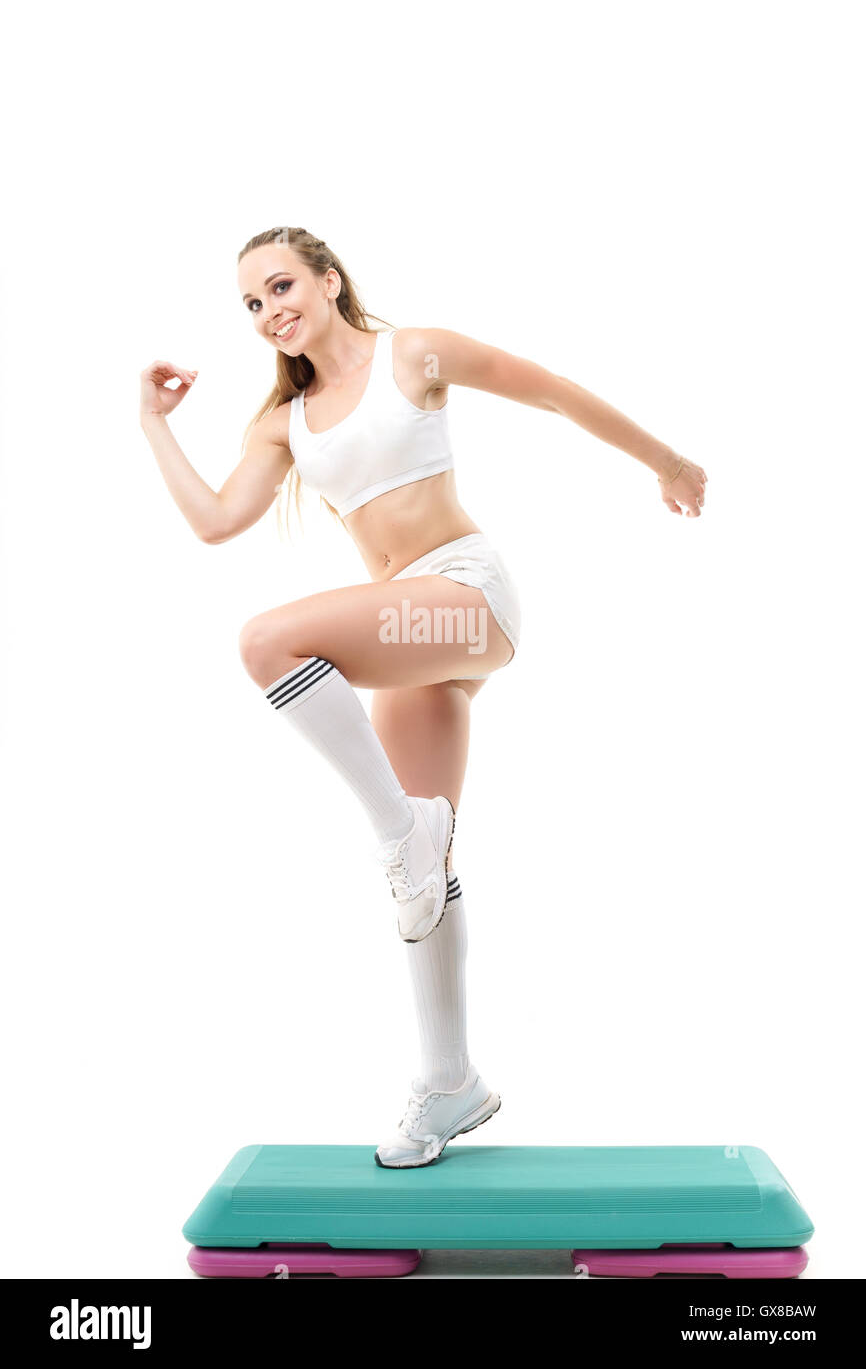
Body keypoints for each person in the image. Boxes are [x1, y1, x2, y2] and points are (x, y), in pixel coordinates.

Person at [139, 225, 708, 1169]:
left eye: (281, 285)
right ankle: (451, 1080)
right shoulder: (283, 422)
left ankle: (400, 832)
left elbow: (554, 393)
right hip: (416, 643)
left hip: (467, 601)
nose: (270, 310)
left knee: (269, 642)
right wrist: (152, 424)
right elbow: (214, 522)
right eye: (251, 303)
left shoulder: (415, 353)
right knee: (425, 876)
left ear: (328, 281)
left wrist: (668, 463)